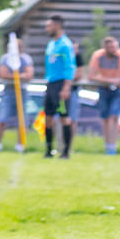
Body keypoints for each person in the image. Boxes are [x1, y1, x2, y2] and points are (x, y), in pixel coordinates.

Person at [42, 15, 76, 159]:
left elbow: (70, 67)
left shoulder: (65, 45)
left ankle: (66, 152)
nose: (47, 29)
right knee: (48, 118)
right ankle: (49, 150)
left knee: (64, 117)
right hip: (50, 84)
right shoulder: (51, 44)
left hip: (61, 85)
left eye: (49, 26)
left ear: (57, 26)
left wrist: (66, 87)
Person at [88, 36, 120, 155]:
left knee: (113, 117)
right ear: (105, 48)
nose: (113, 49)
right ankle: (108, 146)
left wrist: (103, 79)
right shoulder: (98, 55)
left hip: (119, 90)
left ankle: (113, 146)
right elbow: (91, 76)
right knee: (105, 118)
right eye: (110, 47)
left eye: (115, 47)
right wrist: (110, 80)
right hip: (103, 89)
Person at [0, 38, 34, 153]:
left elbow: (29, 74)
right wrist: (19, 76)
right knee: (2, 118)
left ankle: (20, 146)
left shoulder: (25, 59)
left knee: (22, 120)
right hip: (8, 91)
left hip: (22, 91)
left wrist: (16, 76)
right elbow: (3, 74)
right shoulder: (5, 59)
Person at [68, 41, 84, 143]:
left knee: (73, 119)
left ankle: (69, 145)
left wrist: (65, 79)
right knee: (58, 119)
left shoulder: (78, 58)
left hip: (73, 91)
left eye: (76, 49)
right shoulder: (63, 58)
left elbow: (78, 75)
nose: (75, 51)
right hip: (59, 92)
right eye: (73, 49)